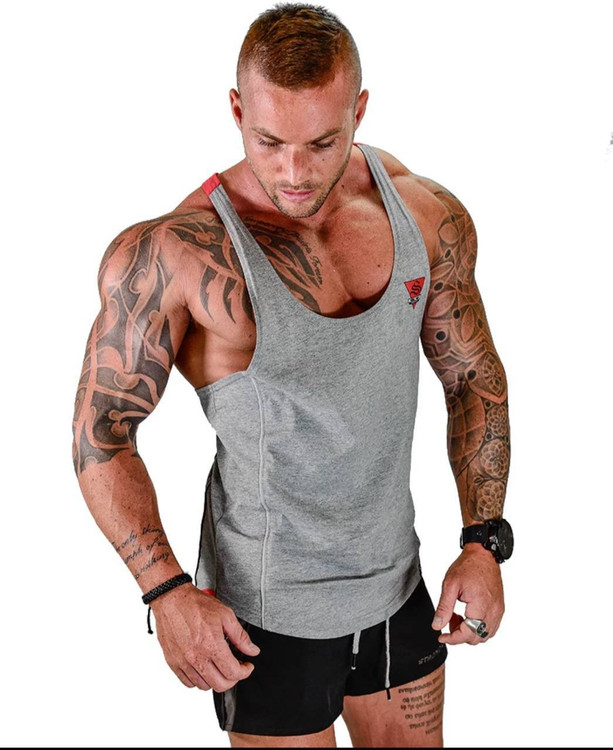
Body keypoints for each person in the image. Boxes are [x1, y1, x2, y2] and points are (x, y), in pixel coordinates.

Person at [71, 3, 512, 747]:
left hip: (399, 590)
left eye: (322, 142)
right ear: (237, 110)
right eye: (269, 141)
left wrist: (482, 540)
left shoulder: (423, 214)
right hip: (262, 621)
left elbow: (472, 378)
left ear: (358, 111)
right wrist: (166, 590)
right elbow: (102, 434)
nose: (294, 172)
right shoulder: (176, 254)